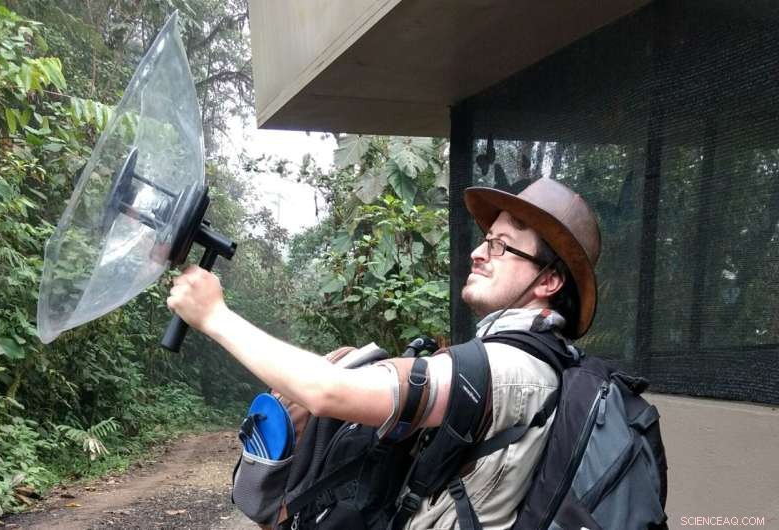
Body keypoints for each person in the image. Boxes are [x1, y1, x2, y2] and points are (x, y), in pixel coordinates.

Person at [167, 177, 601, 529]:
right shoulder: (545, 361)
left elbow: (327, 392)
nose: (477, 252)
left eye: (500, 245)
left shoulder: (509, 369)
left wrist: (214, 316)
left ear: (548, 282)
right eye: (486, 239)